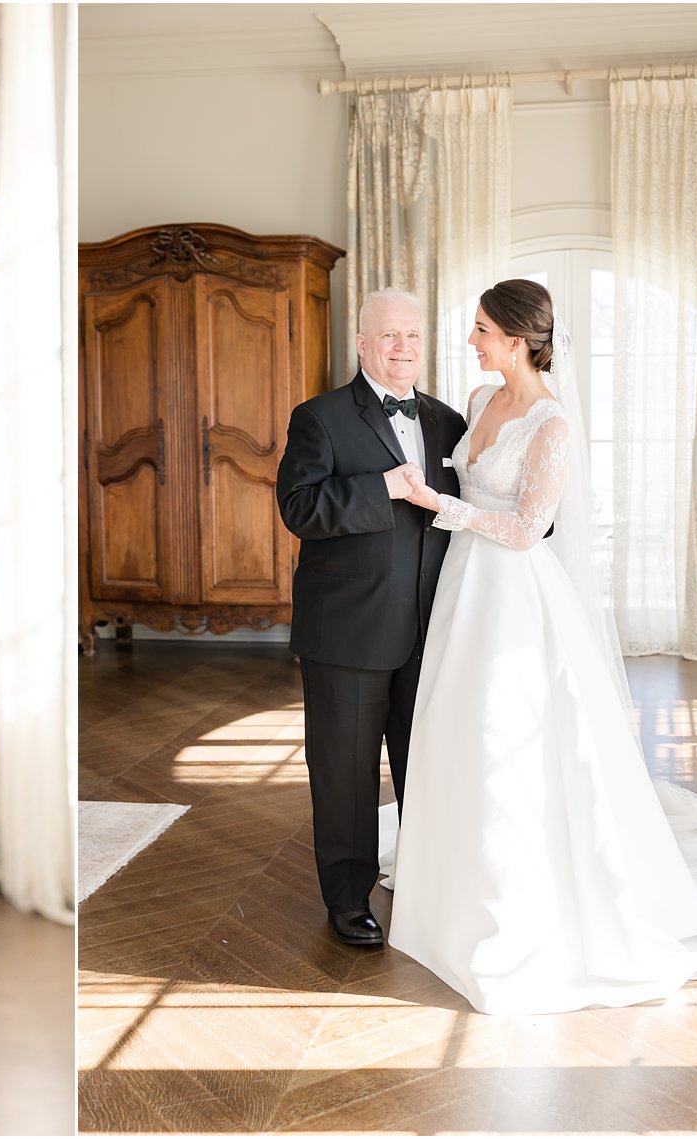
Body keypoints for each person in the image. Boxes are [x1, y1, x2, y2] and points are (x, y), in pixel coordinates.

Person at [386, 278, 697, 1015]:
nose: (471, 342)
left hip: (515, 597)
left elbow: (530, 529)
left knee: (508, 737)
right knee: (451, 727)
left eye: (483, 331)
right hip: (463, 587)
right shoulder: (476, 402)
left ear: (520, 340)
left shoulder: (553, 425)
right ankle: (451, 878)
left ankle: (517, 897)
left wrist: (441, 505)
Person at [274, 288, 467, 947]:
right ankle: (348, 900)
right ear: (361, 343)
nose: (403, 346)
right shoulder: (319, 417)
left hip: (433, 630)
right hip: (349, 633)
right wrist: (379, 487)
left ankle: (428, 882)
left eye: (412, 335)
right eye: (388, 335)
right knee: (346, 774)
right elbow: (299, 508)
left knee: (429, 764)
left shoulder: (448, 422)